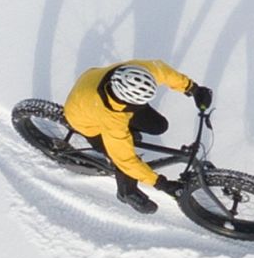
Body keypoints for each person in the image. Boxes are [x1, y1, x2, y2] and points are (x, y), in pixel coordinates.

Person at [61, 60, 211, 210]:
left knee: (158, 125)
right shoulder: (112, 120)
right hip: (83, 118)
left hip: (92, 81)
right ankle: (126, 192)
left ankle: (130, 134)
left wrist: (192, 88)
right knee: (122, 158)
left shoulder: (135, 72)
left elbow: (162, 71)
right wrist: (161, 183)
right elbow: (126, 160)